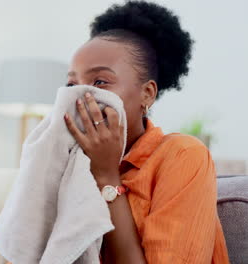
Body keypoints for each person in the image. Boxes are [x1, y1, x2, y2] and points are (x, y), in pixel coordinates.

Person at [61, 1, 230, 263]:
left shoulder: (184, 155)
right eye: (72, 84)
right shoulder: (66, 160)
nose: (82, 96)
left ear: (147, 93)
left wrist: (106, 175)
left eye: (100, 82)